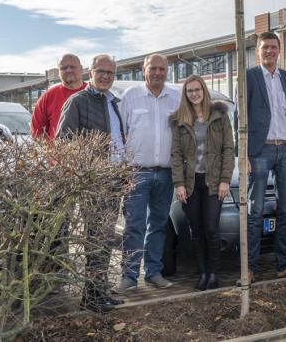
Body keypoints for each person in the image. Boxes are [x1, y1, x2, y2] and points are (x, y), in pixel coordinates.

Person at [56, 54, 125, 313]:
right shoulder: (77, 102)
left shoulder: (114, 103)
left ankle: (99, 291)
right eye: (101, 71)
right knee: (95, 238)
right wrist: (89, 167)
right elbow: (63, 142)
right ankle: (92, 296)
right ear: (90, 73)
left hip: (114, 180)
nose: (106, 76)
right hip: (94, 182)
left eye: (110, 72)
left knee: (105, 239)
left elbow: (119, 141)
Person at [243, 32, 286, 284]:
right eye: (265, 47)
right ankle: (249, 269)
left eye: (273, 47)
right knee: (255, 211)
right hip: (260, 150)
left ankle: (284, 265)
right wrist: (244, 153)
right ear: (258, 51)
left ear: (279, 50)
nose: (269, 51)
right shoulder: (249, 77)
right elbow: (241, 118)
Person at [114, 54, 181, 295]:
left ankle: (153, 272)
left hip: (165, 173)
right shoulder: (130, 96)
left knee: (158, 225)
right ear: (144, 70)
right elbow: (118, 133)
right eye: (153, 68)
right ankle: (129, 276)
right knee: (134, 225)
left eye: (162, 69)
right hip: (136, 172)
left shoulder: (175, 97)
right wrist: (121, 168)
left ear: (167, 71)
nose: (157, 73)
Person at [170, 75, 234, 291]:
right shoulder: (180, 120)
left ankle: (213, 273)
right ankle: (203, 272)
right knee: (196, 230)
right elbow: (176, 155)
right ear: (185, 94)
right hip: (190, 183)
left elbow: (228, 150)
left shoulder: (219, 116)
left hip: (213, 181)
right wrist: (179, 183)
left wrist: (225, 180)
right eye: (190, 91)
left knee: (211, 228)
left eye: (197, 89)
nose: (194, 94)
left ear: (204, 91)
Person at [30, 53, 87, 140]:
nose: (68, 70)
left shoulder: (94, 93)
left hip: (91, 148)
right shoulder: (48, 96)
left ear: (81, 69)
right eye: (63, 68)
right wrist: (51, 148)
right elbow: (36, 132)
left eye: (72, 67)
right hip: (57, 148)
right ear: (59, 72)